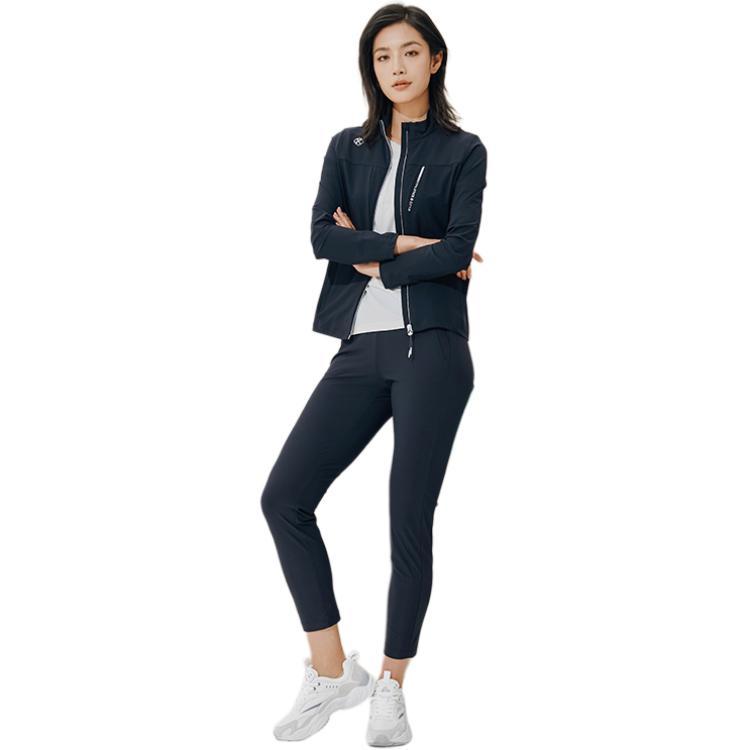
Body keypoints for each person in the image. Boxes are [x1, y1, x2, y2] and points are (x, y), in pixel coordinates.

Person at [261, 4, 487, 745]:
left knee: (406, 519)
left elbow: (459, 246)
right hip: (360, 348)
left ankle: (391, 684)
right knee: (284, 497)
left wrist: (374, 254)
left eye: (410, 52)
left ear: (435, 60)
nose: (396, 66)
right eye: (383, 55)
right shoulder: (346, 147)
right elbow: (320, 237)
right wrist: (407, 245)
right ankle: (332, 670)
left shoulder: (464, 151)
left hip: (433, 350)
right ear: (372, 67)